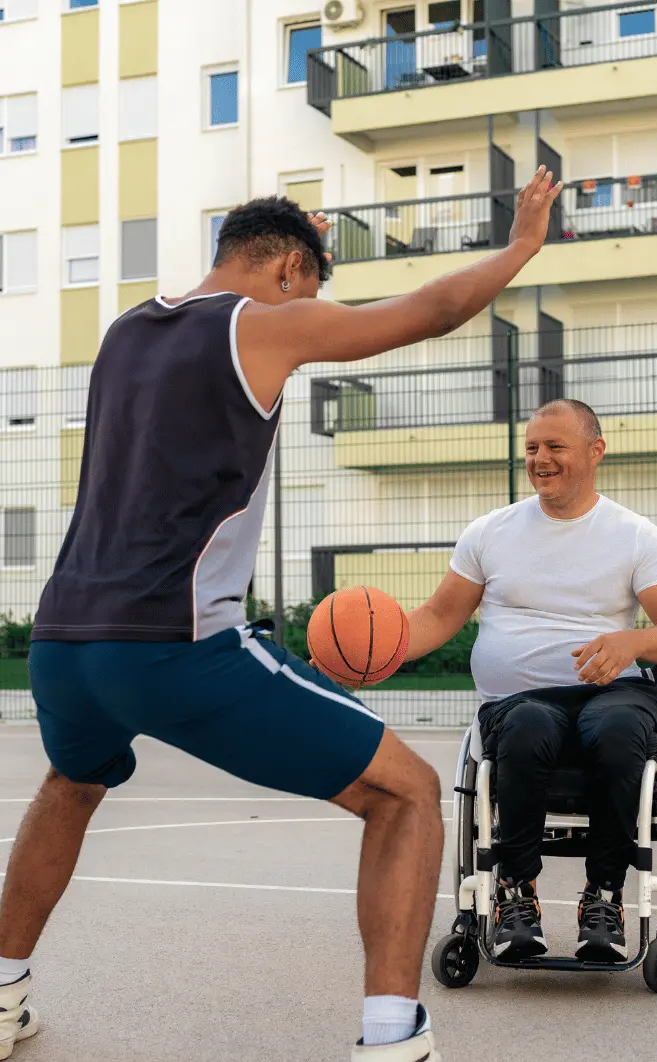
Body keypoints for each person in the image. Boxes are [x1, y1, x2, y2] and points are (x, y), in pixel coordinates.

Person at [0, 169, 562, 1062]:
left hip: (64, 638)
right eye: (315, 283)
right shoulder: (259, 322)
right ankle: (392, 1039)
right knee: (406, 793)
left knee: (71, 786)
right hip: (175, 642)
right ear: (292, 268)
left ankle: (0, 996)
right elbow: (428, 311)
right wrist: (522, 246)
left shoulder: (124, 335)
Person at [405, 399, 657, 963]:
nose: (540, 459)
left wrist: (631, 642)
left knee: (618, 734)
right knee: (523, 727)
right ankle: (516, 899)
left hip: (611, 694)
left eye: (555, 446)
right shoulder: (490, 532)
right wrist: (372, 655)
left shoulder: (634, 535)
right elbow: (439, 617)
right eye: (532, 448)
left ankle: (605, 899)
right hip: (519, 703)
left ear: (595, 451)